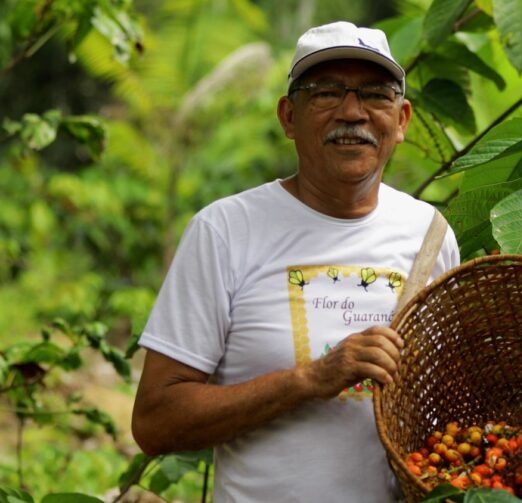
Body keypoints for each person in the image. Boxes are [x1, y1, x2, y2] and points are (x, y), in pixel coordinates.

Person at [131, 21, 460, 502]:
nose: (353, 112)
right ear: (289, 116)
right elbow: (155, 422)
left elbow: (448, 409)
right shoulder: (225, 231)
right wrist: (311, 378)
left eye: (375, 94)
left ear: (402, 119)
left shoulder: (430, 234)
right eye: (326, 93)